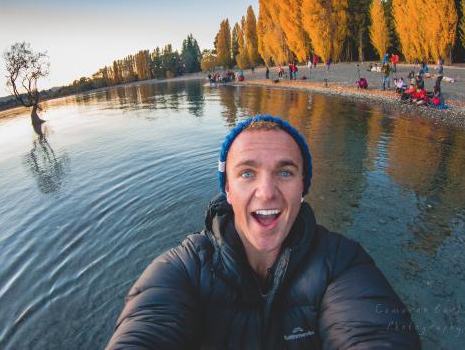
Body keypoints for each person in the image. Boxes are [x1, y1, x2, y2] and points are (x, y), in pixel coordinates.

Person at [106, 115, 421, 350]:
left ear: (302, 189)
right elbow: (146, 327)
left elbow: (373, 334)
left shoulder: (342, 264)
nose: (267, 192)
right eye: (247, 173)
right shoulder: (183, 269)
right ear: (228, 191)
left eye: (285, 172)